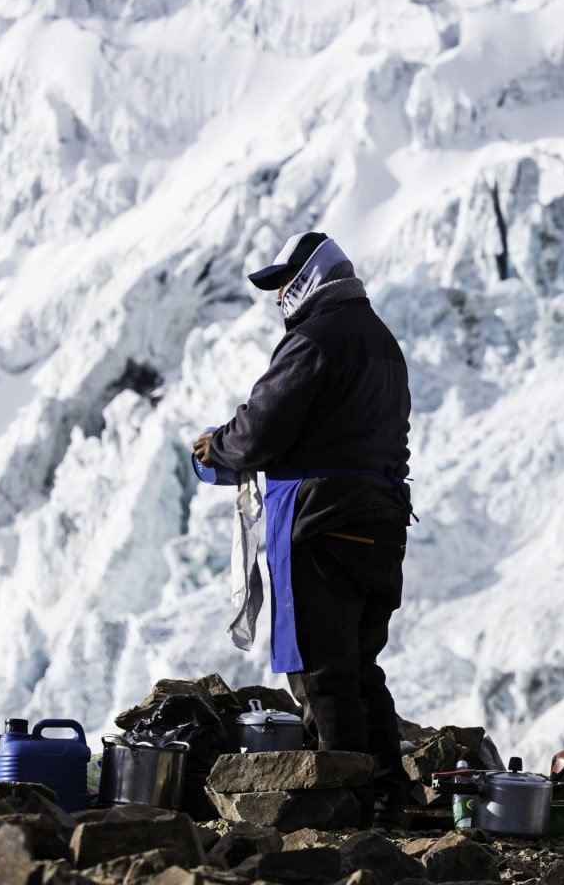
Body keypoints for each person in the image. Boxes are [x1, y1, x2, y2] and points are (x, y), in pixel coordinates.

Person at [192, 230, 414, 828]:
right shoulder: (383, 342)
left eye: (285, 283)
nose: (279, 297)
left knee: (320, 668)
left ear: (314, 278)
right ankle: (394, 796)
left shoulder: (314, 341)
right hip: (383, 521)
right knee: (360, 664)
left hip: (322, 520)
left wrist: (218, 448)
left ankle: (349, 809)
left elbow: (262, 429)